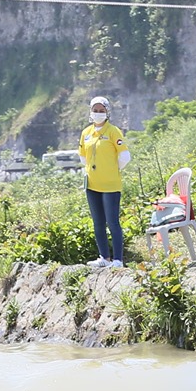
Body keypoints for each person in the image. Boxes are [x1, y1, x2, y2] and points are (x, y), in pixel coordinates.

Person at [80, 95, 131, 268]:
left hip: (110, 185)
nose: (98, 113)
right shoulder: (86, 133)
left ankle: (118, 260)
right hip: (92, 185)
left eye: (101, 111)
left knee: (112, 222)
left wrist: (110, 170)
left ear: (107, 112)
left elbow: (125, 156)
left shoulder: (113, 131)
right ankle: (104, 257)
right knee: (98, 222)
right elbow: (82, 157)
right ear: (91, 112)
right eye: (95, 110)